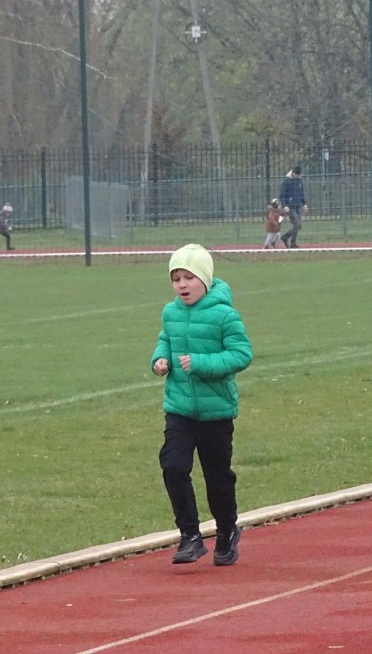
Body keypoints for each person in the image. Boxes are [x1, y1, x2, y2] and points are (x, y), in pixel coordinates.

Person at [151, 244, 253, 564]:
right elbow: (165, 340)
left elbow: (241, 354)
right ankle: (190, 536)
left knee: (217, 477)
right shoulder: (170, 313)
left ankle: (227, 531)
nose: (182, 285)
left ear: (205, 279)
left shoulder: (224, 315)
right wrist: (160, 360)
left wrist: (201, 363)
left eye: (189, 278)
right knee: (173, 466)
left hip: (215, 411)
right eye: (176, 279)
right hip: (179, 407)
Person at [278, 166, 308, 248]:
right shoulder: (286, 182)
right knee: (296, 224)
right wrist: (285, 206)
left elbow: (301, 193)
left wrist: (304, 204)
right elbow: (282, 195)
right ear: (293, 173)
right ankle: (293, 243)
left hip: (297, 205)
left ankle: (285, 237)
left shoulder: (299, 180)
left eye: (298, 175)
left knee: (299, 226)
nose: (297, 176)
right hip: (290, 207)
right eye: (296, 174)